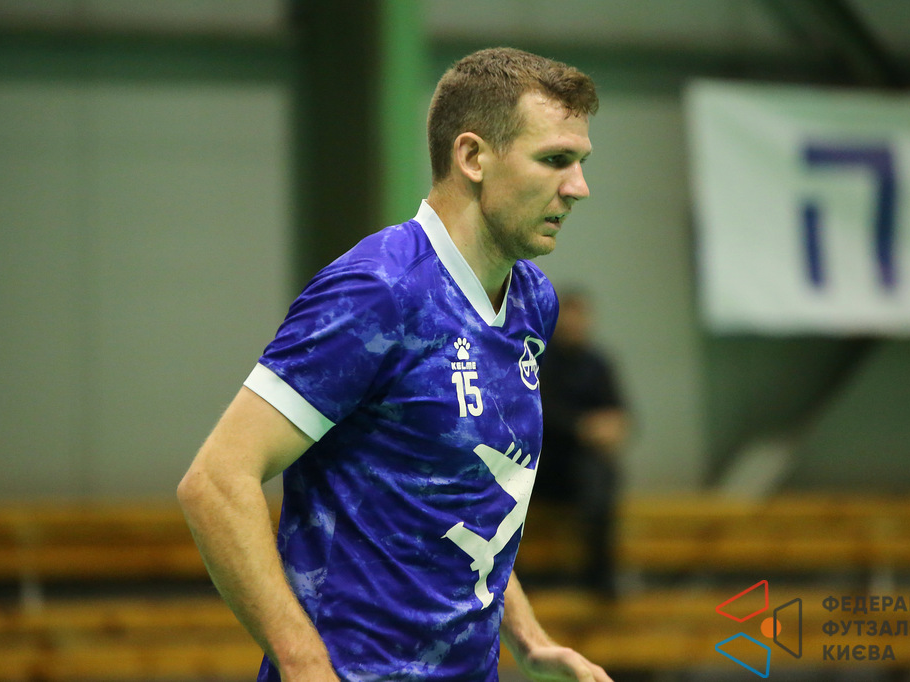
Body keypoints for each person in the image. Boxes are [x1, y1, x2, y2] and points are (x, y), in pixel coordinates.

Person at [177, 47, 612, 682]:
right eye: (554, 160)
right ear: (472, 158)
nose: (578, 187)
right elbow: (217, 482)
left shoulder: (532, 301)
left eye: (580, 163)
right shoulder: (379, 291)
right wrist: (303, 663)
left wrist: (529, 639)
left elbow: (474, 496)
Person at [532, 290, 629, 598]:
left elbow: (618, 412)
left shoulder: (598, 364)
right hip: (545, 464)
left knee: (601, 474)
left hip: (585, 467)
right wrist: (582, 427)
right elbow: (540, 412)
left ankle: (600, 576)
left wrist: (613, 427)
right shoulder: (538, 360)